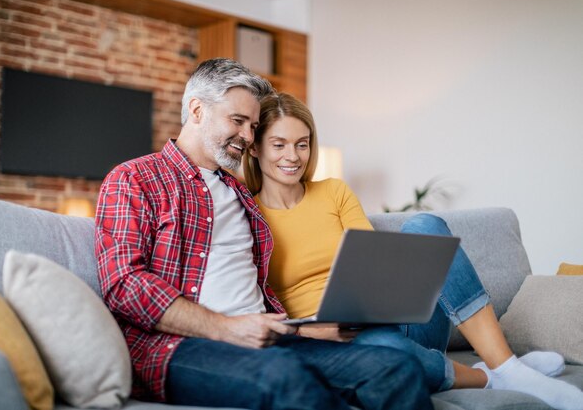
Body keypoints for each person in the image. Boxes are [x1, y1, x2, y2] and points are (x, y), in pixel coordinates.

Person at [95, 58, 433, 410]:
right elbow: (124, 285)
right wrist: (226, 328)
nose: (247, 136)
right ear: (196, 110)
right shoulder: (135, 178)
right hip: (178, 347)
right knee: (285, 376)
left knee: (396, 367)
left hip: (269, 340)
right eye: (237, 121)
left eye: (253, 126)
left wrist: (301, 328)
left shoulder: (240, 194)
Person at [242, 92, 583, 410]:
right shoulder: (248, 216)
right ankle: (493, 375)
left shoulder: (333, 191)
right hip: (334, 343)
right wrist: (310, 331)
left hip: (391, 321)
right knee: (390, 354)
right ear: (255, 148)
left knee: (426, 225)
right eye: (279, 144)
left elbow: (370, 261)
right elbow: (253, 307)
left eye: (302, 144)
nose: (293, 156)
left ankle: (506, 364)